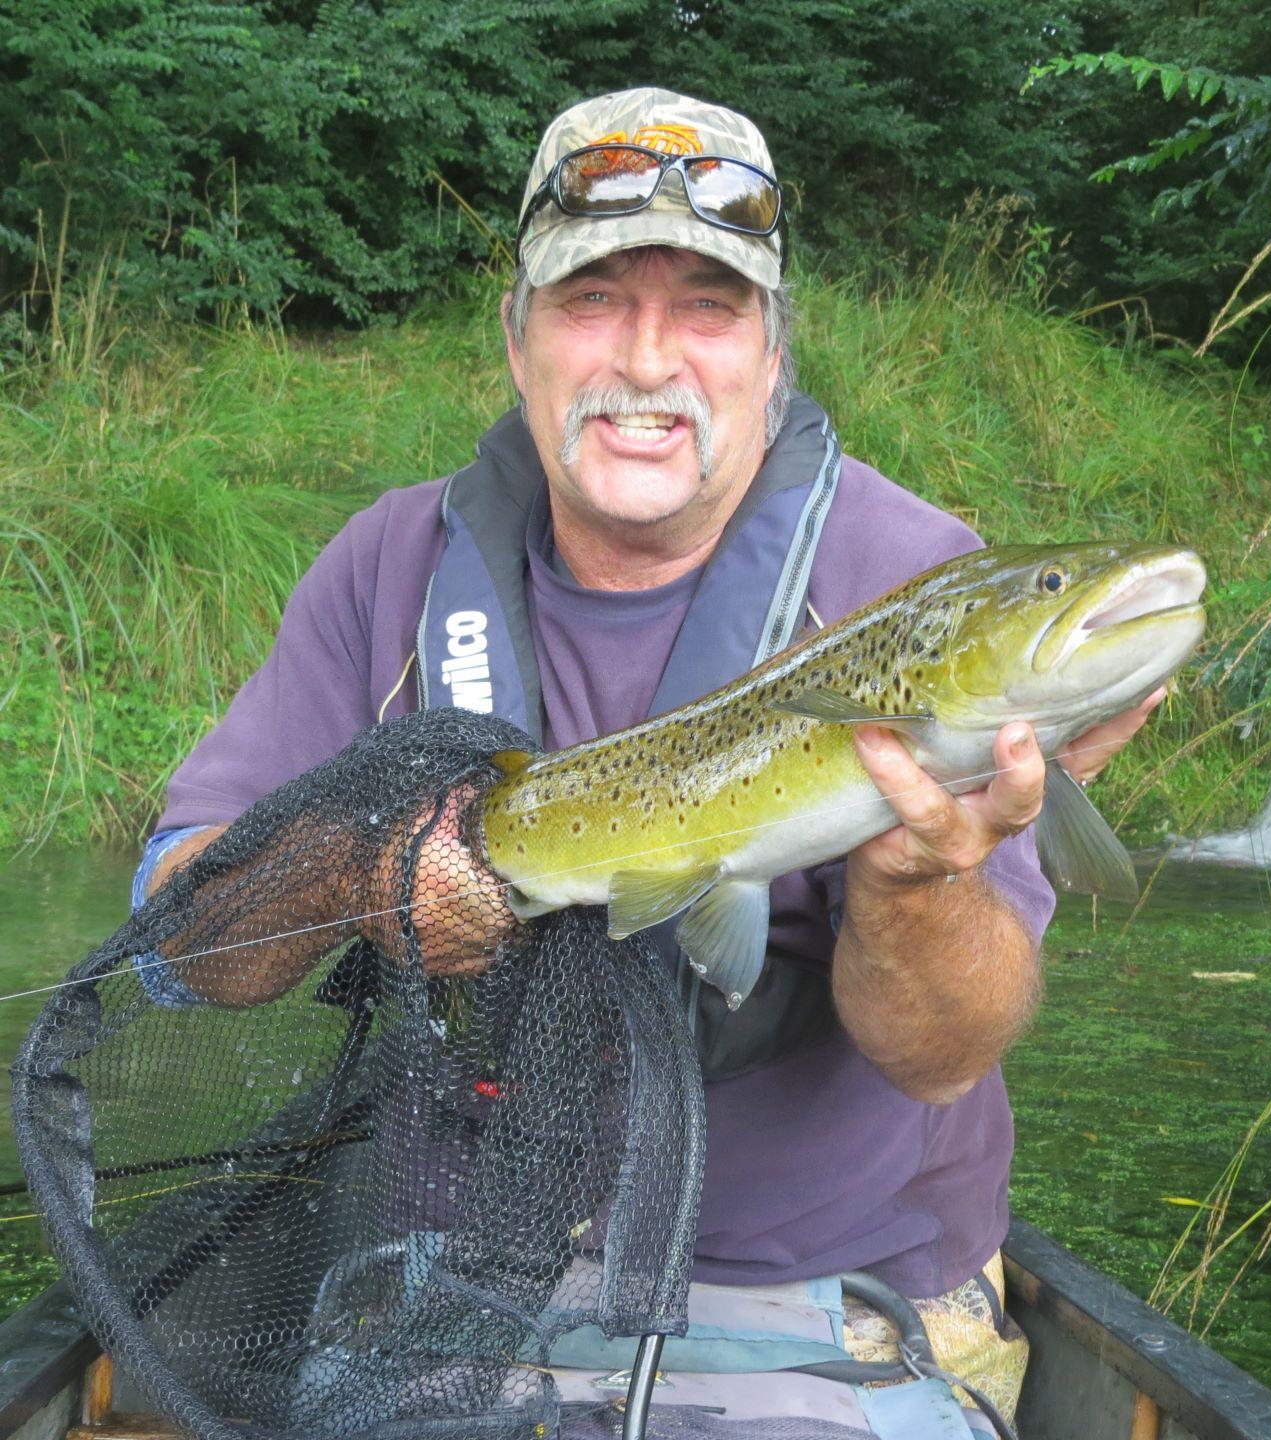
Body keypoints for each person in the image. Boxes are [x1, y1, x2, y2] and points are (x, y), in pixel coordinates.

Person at [133, 88, 1164, 1428]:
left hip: (829, 1301)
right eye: (594, 297)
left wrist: (916, 889)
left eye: (708, 306)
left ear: (774, 352)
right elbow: (181, 936)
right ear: (519, 342)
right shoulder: (383, 574)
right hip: (448, 1281)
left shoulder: (920, 592)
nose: (647, 356)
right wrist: (362, 876)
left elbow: (945, 1054)